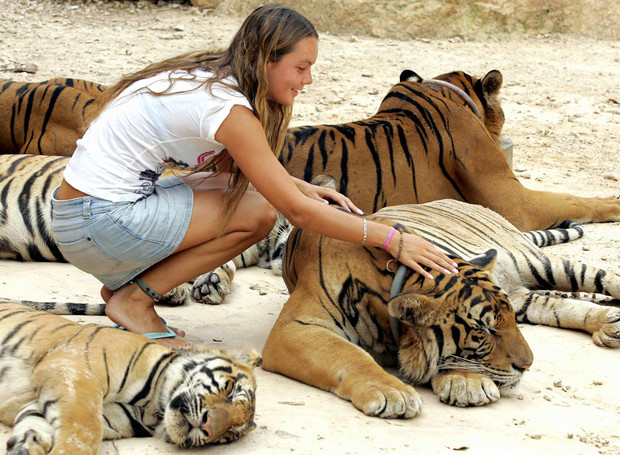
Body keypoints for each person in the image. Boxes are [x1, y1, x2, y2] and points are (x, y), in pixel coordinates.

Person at [50, 4, 458, 351]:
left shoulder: (208, 79)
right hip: (97, 223)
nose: (307, 80)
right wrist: (393, 239)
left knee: (243, 193)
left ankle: (126, 289)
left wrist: (303, 186)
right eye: (301, 67)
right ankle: (135, 299)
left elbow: (239, 171)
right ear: (266, 61)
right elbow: (296, 213)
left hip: (79, 216)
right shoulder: (229, 110)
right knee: (260, 213)